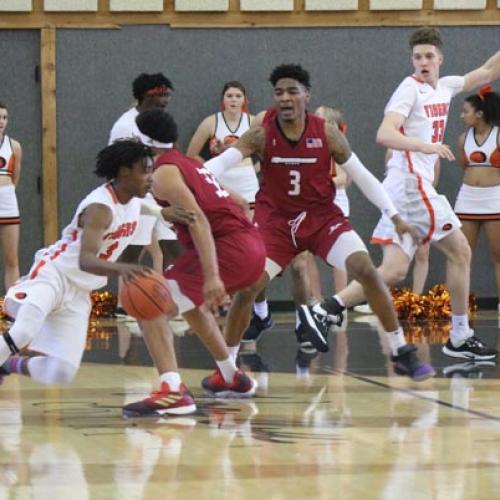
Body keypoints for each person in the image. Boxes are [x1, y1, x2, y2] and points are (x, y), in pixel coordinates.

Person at [204, 63, 434, 381]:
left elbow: (362, 176)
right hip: (277, 224)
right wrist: (195, 179)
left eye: (292, 91)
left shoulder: (325, 132)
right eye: (279, 92)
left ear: (306, 95)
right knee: (248, 288)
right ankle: (226, 370)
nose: (284, 98)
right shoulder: (261, 133)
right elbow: (220, 163)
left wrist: (394, 216)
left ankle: (400, 351)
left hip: (321, 219)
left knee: (366, 269)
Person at [326, 28, 500, 360]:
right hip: (410, 185)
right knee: (461, 251)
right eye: (417, 57)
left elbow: (489, 71)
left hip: (403, 188)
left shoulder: (446, 86)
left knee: (392, 270)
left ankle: (325, 309)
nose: (423, 62)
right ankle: (460, 336)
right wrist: (425, 146)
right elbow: (384, 134)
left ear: (440, 59)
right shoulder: (409, 90)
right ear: (412, 61)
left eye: (428, 56)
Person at [0, 141, 194, 386]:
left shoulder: (132, 199)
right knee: (23, 332)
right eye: (145, 171)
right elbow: (86, 260)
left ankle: (10, 364)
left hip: (79, 293)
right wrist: (122, 268)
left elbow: (143, 207)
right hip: (54, 276)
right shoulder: (100, 208)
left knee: (61, 373)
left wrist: (163, 213)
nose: (151, 178)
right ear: (124, 171)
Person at [122, 109, 265, 417]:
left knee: (148, 300)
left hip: (229, 249)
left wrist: (213, 276)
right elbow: (239, 201)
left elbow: (198, 219)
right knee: (189, 304)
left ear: (143, 142)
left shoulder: (163, 174)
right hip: (249, 245)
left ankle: (172, 392)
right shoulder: (189, 164)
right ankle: (230, 377)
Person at [108, 73, 180, 296]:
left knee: (175, 248)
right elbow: (115, 166)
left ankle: (175, 301)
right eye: (160, 95)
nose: (165, 100)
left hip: (162, 193)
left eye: (168, 94)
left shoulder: (162, 123)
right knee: (133, 250)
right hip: (138, 196)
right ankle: (128, 303)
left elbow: (173, 156)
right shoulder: (125, 126)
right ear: (143, 97)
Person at [454, 86, 500, 314]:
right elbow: (465, 166)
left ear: (479, 113)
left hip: (494, 199)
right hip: (468, 199)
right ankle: (462, 306)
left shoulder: (499, 135)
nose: (462, 116)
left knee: (498, 255)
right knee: (462, 255)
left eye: (465, 111)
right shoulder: (463, 139)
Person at [0, 101, 22, 292]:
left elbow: (15, 178)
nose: (1, 121)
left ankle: (12, 305)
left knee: (11, 258)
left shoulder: (14, 146)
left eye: (5, 117)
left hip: (7, 201)